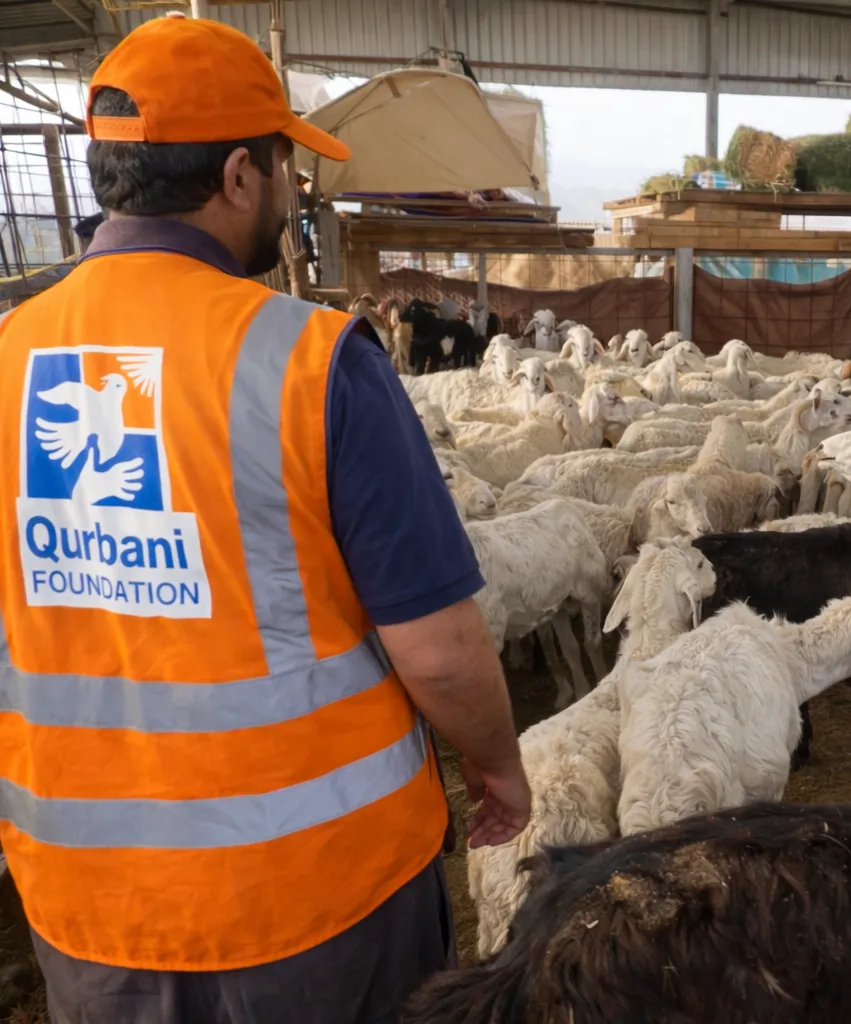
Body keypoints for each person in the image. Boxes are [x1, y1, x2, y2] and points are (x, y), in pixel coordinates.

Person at [0, 15, 531, 1023]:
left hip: (87, 909)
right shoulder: (314, 362)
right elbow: (442, 650)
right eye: (288, 166)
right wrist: (498, 765)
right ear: (240, 175)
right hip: (320, 905)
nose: (293, 192)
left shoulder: (7, 357)